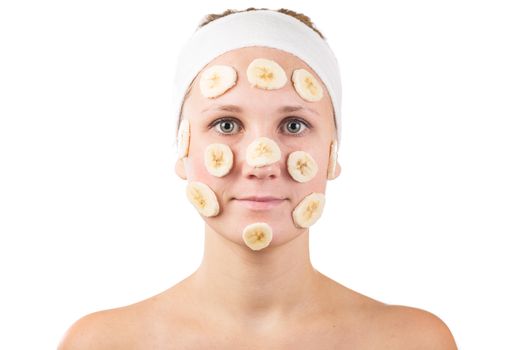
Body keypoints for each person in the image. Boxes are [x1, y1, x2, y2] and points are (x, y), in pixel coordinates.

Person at [58, 7, 458, 349]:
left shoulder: (412, 341)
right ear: (182, 148)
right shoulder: (102, 343)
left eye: (295, 125)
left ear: (333, 153)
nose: (260, 161)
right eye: (227, 124)